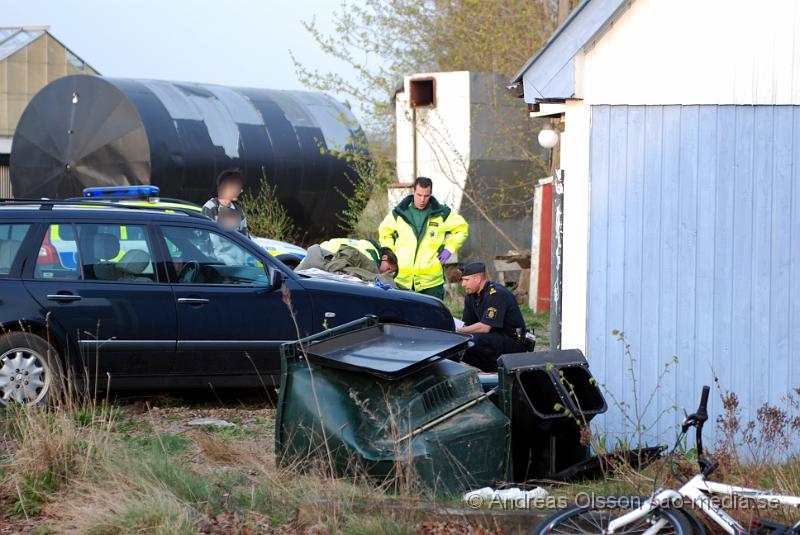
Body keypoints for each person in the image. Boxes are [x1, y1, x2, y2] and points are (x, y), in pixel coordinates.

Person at [378, 176, 468, 300]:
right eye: (419, 195)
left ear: (430, 193)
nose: (422, 199)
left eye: (426, 196)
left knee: (430, 319)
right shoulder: (399, 213)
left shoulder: (442, 214)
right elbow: (384, 232)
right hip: (402, 279)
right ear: (413, 191)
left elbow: (462, 229)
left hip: (431, 283)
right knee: (402, 318)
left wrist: (449, 248)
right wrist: (389, 255)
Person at [456, 262, 527, 372]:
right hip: (494, 339)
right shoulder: (471, 296)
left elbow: (484, 327)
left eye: (466, 280)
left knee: (475, 339)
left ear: (478, 279)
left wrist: (458, 330)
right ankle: (494, 370)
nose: (463, 284)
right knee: (458, 345)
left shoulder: (496, 294)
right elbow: (468, 326)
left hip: (513, 342)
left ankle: (502, 369)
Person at [296, 241, 400, 286]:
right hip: (323, 259)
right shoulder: (371, 254)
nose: (387, 272)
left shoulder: (368, 247)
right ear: (385, 257)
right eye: (389, 268)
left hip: (318, 255)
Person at [202, 168, 249, 236]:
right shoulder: (210, 208)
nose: (240, 191)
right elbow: (205, 234)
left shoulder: (239, 211)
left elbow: (245, 236)